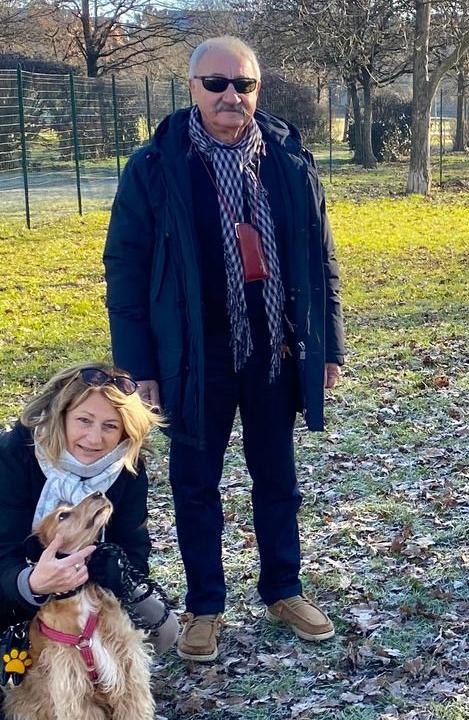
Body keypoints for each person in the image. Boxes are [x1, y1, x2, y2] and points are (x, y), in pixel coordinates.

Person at [103, 36, 346, 662]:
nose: (231, 96)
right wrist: (140, 367)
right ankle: (204, 605)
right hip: (192, 355)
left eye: (244, 85)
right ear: (192, 90)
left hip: (273, 349)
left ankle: (283, 590)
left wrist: (327, 347)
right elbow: (124, 270)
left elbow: (320, 261)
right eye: (217, 84)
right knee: (195, 484)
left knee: (277, 479)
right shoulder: (157, 165)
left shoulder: (290, 161)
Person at [0, 363, 176, 720]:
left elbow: (135, 549)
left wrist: (114, 568)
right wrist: (32, 583)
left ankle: (108, 687)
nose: (95, 439)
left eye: (110, 426)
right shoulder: (11, 456)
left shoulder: (127, 467)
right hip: (5, 584)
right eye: (84, 420)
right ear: (61, 413)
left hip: (82, 591)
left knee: (164, 626)